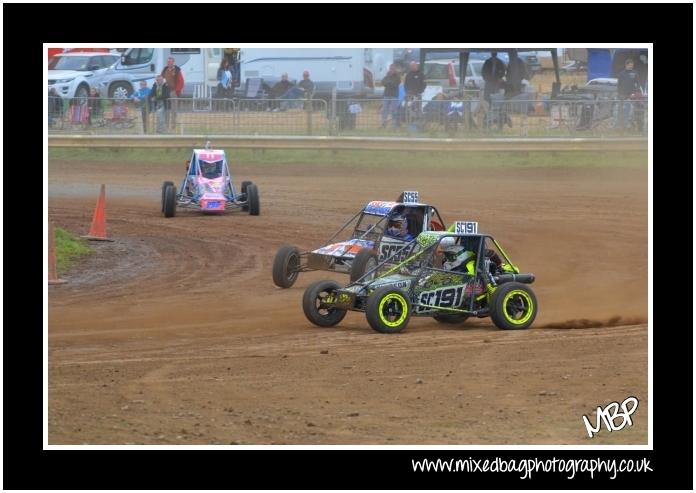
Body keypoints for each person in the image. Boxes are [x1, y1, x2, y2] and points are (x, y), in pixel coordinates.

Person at [615, 58, 642, 130]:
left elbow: (638, 83)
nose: (631, 66)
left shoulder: (635, 73)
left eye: (632, 65)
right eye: (630, 65)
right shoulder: (621, 74)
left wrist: (635, 92)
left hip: (631, 95)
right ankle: (618, 125)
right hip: (622, 95)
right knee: (620, 110)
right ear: (626, 65)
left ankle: (627, 125)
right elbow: (619, 85)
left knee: (629, 110)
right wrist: (619, 94)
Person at [161, 56, 184, 130]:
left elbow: (181, 81)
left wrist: (177, 91)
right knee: (166, 109)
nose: (169, 63)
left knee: (174, 110)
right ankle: (166, 126)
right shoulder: (165, 69)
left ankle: (173, 127)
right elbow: (161, 79)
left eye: (170, 62)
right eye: (168, 62)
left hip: (173, 92)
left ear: (173, 62)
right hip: (166, 92)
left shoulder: (177, 70)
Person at [381, 64, 401, 128]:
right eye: (390, 68)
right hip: (386, 95)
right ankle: (384, 124)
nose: (391, 70)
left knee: (394, 110)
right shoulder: (387, 75)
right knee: (384, 110)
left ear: (395, 69)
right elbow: (382, 82)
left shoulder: (398, 76)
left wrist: (387, 83)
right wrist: (388, 82)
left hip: (394, 96)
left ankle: (394, 125)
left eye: (393, 68)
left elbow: (394, 84)